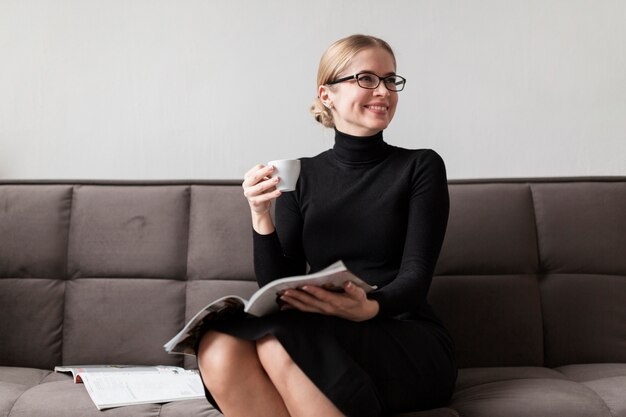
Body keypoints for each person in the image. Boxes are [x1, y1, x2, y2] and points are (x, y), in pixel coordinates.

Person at [196, 34, 457, 417]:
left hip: (402, 330)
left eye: (390, 79)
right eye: (366, 78)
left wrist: (369, 306)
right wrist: (260, 214)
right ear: (327, 94)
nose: (383, 91)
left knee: (279, 341)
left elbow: (416, 278)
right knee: (218, 345)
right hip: (321, 330)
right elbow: (276, 286)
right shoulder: (300, 175)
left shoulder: (420, 167)